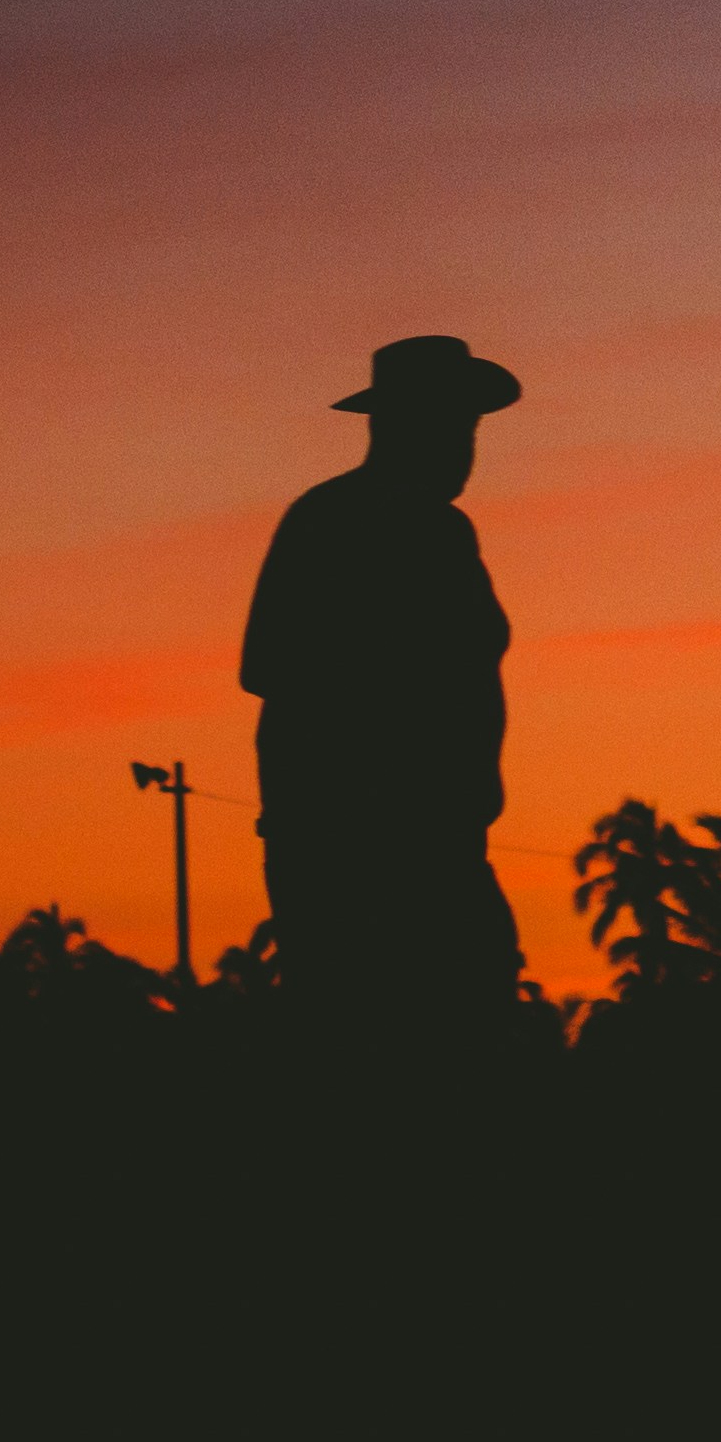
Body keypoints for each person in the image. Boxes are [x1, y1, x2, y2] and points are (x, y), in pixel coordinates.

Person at [237, 335, 531, 1028]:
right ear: (401, 424)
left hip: (424, 843)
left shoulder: (433, 529)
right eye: (453, 424)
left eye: (470, 427)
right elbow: (271, 666)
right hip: (375, 853)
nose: (465, 444)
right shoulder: (341, 522)